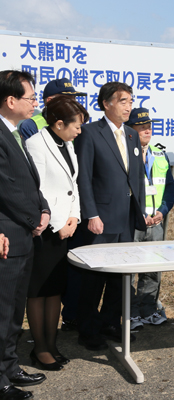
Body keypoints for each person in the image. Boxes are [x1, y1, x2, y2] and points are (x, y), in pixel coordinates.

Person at [75, 82, 146, 351]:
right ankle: (88, 329)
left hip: (126, 219)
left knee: (120, 276)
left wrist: (141, 211)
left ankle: (110, 322)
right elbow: (84, 177)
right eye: (123, 101)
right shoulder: (90, 133)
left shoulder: (131, 135)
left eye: (131, 100)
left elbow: (136, 176)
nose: (129, 106)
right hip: (100, 219)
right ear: (107, 104)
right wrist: (91, 213)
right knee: (94, 278)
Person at [25, 95, 88, 370]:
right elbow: (36, 191)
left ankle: (52, 344)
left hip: (66, 227)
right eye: (76, 125)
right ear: (59, 123)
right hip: (45, 231)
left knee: (55, 291)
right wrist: (58, 223)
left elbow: (71, 185)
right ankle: (39, 349)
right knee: (38, 291)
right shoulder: (36, 144)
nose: (80, 131)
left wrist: (74, 217)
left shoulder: (67, 143)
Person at [0, 70, 50, 399]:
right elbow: (6, 189)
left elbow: (29, 183)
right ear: (10, 100)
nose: (36, 103)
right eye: (31, 97)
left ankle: (9, 366)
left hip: (23, 237)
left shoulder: (17, 133)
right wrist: (35, 218)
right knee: (2, 312)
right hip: (7, 237)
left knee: (14, 311)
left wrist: (44, 209)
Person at [125, 108, 174, 330]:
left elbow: (169, 188)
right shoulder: (124, 152)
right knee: (128, 270)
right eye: (142, 126)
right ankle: (130, 313)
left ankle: (148, 310)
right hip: (132, 222)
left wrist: (162, 211)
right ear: (130, 129)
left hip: (156, 222)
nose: (147, 130)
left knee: (152, 269)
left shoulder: (159, 153)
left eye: (149, 125)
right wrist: (140, 215)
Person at [19, 78, 86, 141]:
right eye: (68, 100)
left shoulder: (75, 124)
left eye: (74, 100)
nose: (73, 104)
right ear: (50, 101)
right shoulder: (31, 125)